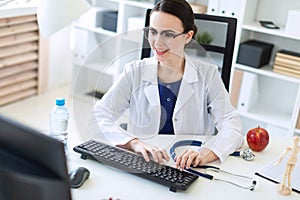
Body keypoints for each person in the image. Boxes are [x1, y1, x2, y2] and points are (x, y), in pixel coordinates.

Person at [89, 0, 243, 170]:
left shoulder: (208, 74)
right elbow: (98, 117)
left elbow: (231, 123)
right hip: (143, 162)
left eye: (168, 34)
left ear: (188, 36)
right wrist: (134, 143)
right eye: (153, 32)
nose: (157, 42)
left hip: (189, 167)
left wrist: (206, 152)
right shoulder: (134, 72)